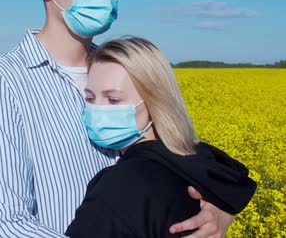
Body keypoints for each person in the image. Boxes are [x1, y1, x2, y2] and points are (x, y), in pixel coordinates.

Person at [0, 0, 236, 237]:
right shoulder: (4, 81)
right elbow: (7, 226)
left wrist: (218, 206)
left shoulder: (124, 67)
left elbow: (176, 157)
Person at [64, 37, 256, 237]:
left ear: (155, 101)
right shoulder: (202, 169)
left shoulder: (119, 186)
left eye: (113, 99)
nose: (97, 110)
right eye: (90, 98)